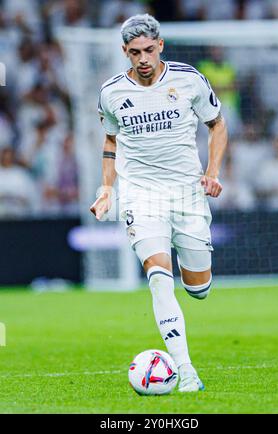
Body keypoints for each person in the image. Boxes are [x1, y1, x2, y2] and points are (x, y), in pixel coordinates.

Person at [90, 14, 228, 392]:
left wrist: (212, 171)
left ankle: (197, 282)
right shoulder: (112, 92)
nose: (143, 58)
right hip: (142, 194)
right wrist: (106, 188)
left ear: (161, 45)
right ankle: (185, 372)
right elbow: (111, 141)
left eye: (149, 50)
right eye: (134, 52)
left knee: (199, 288)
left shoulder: (188, 79)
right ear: (125, 52)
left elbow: (217, 124)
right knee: (157, 277)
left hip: (187, 192)